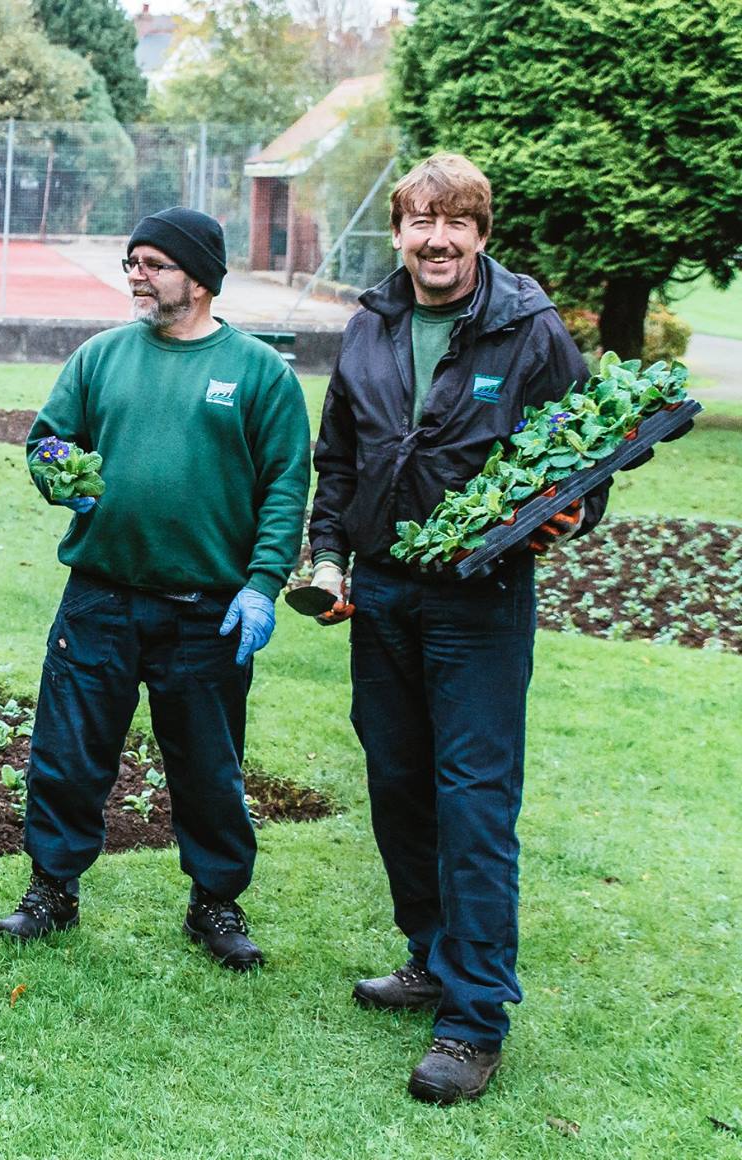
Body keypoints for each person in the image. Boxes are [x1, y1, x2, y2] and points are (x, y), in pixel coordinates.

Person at [306, 153, 599, 1104]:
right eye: (420, 223)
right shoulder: (370, 324)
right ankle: (430, 956)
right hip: (382, 594)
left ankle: (474, 1021)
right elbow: (339, 456)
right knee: (397, 784)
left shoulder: (529, 328)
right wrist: (327, 556)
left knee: (473, 802)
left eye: (456, 224)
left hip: (480, 598)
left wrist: (571, 514)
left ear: (480, 234)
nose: (437, 240)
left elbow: (585, 454)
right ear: (398, 233)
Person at [0, 208, 311, 972]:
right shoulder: (102, 357)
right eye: (132, 261)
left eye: (153, 263)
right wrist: (56, 472)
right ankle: (52, 889)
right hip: (100, 596)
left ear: (199, 276)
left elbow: (284, 488)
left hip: (207, 611)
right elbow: (50, 436)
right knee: (69, 753)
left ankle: (216, 903)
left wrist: (263, 584)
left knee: (209, 767)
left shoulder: (261, 373)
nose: (136, 275)